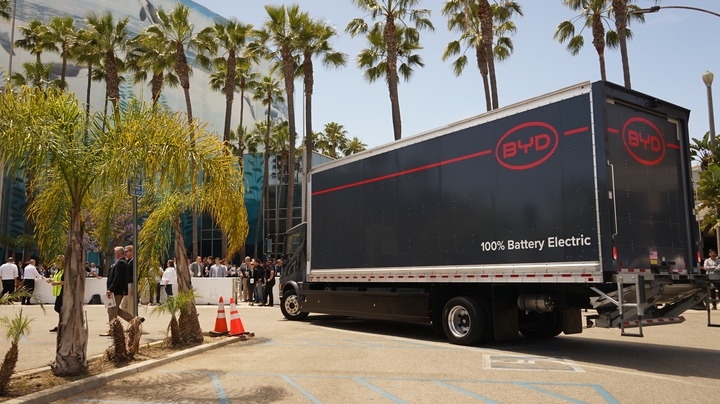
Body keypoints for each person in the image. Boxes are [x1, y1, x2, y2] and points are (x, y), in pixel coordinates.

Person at [102, 246, 142, 336]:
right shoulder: (121, 262)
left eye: (115, 252)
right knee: (115, 309)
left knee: (112, 310)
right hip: (116, 290)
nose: (114, 254)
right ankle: (135, 320)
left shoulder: (121, 263)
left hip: (117, 291)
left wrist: (111, 289)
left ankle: (113, 330)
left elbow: (118, 277)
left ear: (119, 253)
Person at [47, 256, 64, 332]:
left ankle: (62, 324)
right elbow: (56, 279)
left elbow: (67, 282)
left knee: (58, 308)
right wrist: (51, 280)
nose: (56, 262)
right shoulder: (58, 270)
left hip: (63, 292)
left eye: (58, 261)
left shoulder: (64, 270)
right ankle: (61, 324)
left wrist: (57, 283)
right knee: (58, 308)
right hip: (58, 292)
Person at [121, 245, 136, 316]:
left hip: (131, 285)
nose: (125, 253)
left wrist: (133, 286)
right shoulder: (127, 261)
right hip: (127, 285)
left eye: (126, 251)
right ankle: (135, 319)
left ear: (131, 252)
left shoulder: (133, 262)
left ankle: (134, 319)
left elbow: (135, 275)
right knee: (125, 306)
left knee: (129, 306)